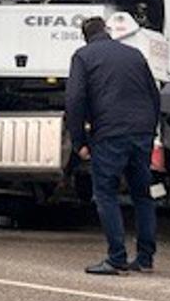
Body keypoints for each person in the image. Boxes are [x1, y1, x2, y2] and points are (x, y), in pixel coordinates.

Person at [65, 16, 161, 275]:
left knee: (106, 194)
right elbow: (153, 94)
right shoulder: (134, 54)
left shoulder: (83, 56)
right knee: (142, 195)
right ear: (106, 31)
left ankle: (116, 258)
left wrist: (79, 142)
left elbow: (75, 99)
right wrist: (150, 131)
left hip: (110, 134)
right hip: (141, 133)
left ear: (85, 36)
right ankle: (145, 259)